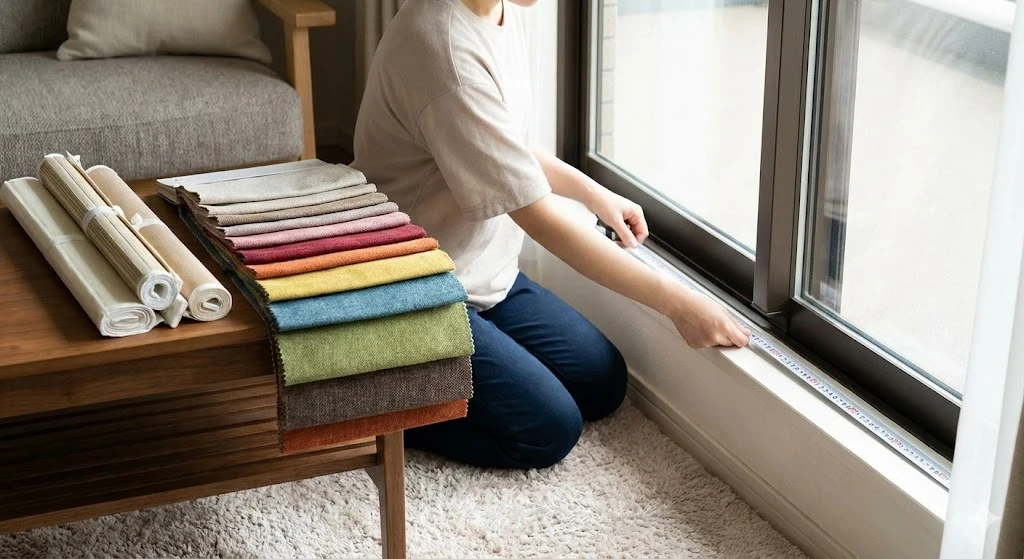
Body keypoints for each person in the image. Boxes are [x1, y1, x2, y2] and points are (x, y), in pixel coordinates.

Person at [352, 0, 750, 470]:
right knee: (546, 430)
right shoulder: (441, 49)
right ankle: (374, 399)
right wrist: (677, 302)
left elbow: (504, 139)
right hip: (411, 283)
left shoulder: (500, 11)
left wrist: (592, 192)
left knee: (601, 383)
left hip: (480, 270)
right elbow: (537, 216)